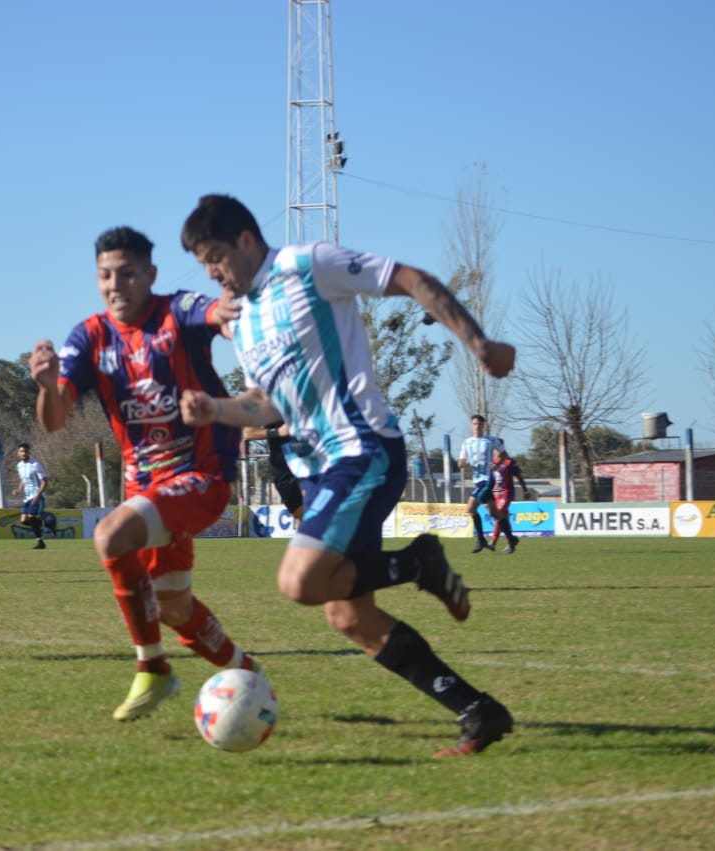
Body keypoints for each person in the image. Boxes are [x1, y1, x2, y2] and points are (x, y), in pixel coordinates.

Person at [179, 193, 515, 757]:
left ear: (244, 239)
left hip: (362, 450)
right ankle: (478, 711)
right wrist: (219, 410)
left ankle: (417, 562)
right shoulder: (243, 320)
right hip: (318, 472)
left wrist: (476, 341)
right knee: (347, 614)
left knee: (299, 582)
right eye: (202, 265)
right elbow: (270, 405)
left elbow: (409, 277)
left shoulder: (307, 264)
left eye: (215, 256)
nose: (213, 273)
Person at [29, 225, 260, 722]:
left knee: (110, 535)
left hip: (201, 476)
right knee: (175, 608)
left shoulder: (176, 312)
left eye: (128, 274)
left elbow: (215, 312)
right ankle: (249, 676)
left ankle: (152, 668)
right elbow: (54, 418)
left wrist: (229, 314)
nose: (116, 285)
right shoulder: (89, 336)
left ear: (150, 275)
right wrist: (48, 386)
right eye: (105, 275)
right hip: (147, 490)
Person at [458, 414, 505, 553]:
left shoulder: (490, 440)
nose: (477, 426)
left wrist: (497, 463)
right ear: (471, 425)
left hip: (488, 479)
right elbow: (461, 461)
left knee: (470, 508)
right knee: (494, 513)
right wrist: (461, 463)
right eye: (474, 424)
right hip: (477, 481)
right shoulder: (466, 443)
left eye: (479, 424)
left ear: (483, 425)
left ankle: (481, 540)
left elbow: (504, 454)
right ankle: (511, 538)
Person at [240, 421, 304, 522]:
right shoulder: (270, 408)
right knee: (301, 517)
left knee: (313, 510)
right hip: (283, 470)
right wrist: (277, 432)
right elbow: (247, 432)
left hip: (311, 464)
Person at [487, 445, 531, 553]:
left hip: (506, 493)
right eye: (495, 448)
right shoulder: (492, 462)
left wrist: (525, 490)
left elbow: (519, 476)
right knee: (503, 518)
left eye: (497, 448)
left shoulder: (509, 462)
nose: (495, 451)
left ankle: (493, 542)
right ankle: (511, 542)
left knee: (499, 514)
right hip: (496, 494)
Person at [13, 443, 49, 549]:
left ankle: (40, 542)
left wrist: (38, 495)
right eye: (21, 451)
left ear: (29, 452)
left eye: (25, 451)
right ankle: (42, 524)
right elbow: (23, 480)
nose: (23, 453)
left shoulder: (35, 464)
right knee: (24, 521)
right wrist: (18, 490)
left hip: (36, 495)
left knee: (31, 517)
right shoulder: (19, 466)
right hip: (26, 497)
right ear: (18, 453)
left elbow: (45, 481)